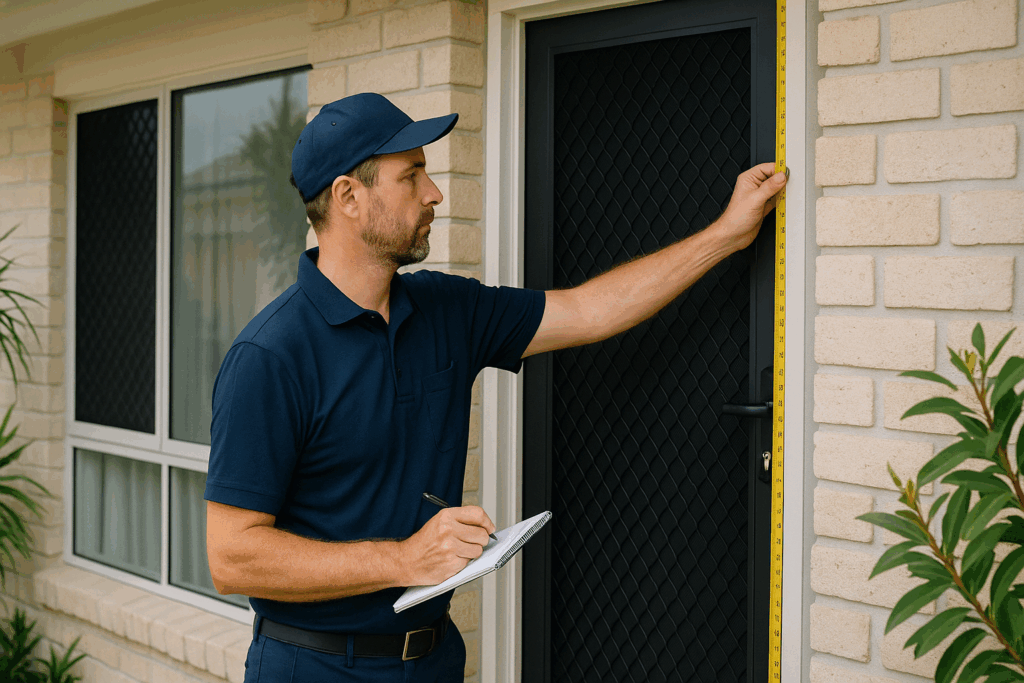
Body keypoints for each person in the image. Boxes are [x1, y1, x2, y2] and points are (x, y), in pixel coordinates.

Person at [204, 92, 787, 682]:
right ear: (349, 197)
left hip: (432, 659)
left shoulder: (446, 310)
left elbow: (589, 311)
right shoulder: (271, 356)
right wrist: (404, 558)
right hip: (315, 666)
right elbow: (232, 556)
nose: (434, 194)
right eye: (412, 176)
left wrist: (727, 235)